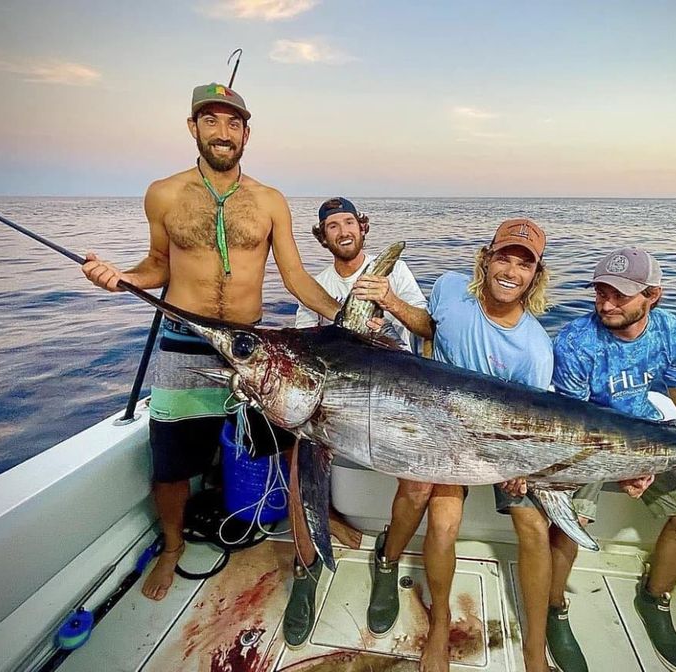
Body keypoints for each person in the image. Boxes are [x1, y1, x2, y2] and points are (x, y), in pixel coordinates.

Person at [81, 82, 339, 602]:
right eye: (212, 121)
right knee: (172, 461)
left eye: (233, 123)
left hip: (253, 349)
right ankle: (173, 547)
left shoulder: (270, 200)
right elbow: (156, 265)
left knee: (291, 448)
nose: (223, 132)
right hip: (184, 341)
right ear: (193, 127)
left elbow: (294, 276)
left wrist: (344, 320)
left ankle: (310, 533)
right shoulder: (164, 193)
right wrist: (121, 278)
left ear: (246, 133)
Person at [352, 218, 553, 672]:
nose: (511, 271)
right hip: (437, 432)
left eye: (525, 264)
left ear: (535, 276)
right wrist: (389, 300)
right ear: (486, 258)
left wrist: (520, 463)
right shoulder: (450, 287)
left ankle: (537, 645)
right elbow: (431, 326)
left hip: (502, 442)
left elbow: (532, 420)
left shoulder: (534, 348)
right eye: (504, 256)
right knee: (441, 521)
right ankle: (436, 618)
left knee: (536, 527)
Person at [548, 247, 676, 672]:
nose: (605, 304)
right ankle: (553, 606)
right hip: (586, 441)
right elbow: (574, 424)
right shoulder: (577, 341)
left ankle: (654, 597)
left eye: (619, 296)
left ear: (653, 295)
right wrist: (631, 465)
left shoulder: (672, 331)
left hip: (646, 434)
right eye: (600, 292)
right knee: (569, 523)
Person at [282, 196, 429, 648]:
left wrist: (389, 302)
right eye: (332, 225)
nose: (342, 230)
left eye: (349, 222)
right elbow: (305, 354)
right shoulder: (318, 287)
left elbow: (426, 327)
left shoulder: (394, 273)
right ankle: (304, 571)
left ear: (362, 228)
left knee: (421, 482)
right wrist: (347, 323)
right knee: (298, 468)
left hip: (395, 402)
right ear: (322, 236)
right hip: (337, 406)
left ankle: (387, 560)